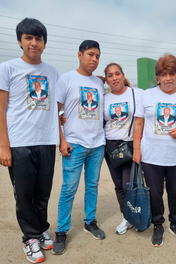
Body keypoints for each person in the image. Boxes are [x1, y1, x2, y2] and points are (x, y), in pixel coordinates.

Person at [0, 17, 59, 264]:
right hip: (19, 142)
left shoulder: (52, 71)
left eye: (39, 38)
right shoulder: (8, 68)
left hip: (46, 141)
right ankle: (30, 238)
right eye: (29, 38)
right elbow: (1, 109)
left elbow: (57, 107)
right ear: (20, 41)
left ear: (44, 42)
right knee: (24, 193)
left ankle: (41, 228)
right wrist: (3, 145)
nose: (34, 43)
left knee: (42, 192)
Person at [132, 54, 176, 246]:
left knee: (175, 192)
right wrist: (136, 150)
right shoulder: (147, 95)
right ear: (157, 77)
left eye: (172, 74)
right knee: (155, 193)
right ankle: (157, 224)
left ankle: (175, 223)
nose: (168, 78)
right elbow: (139, 124)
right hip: (151, 155)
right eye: (164, 74)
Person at [53, 40, 106, 255]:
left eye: (97, 56)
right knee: (69, 188)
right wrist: (62, 140)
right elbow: (54, 113)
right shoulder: (66, 79)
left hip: (97, 144)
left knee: (92, 185)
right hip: (74, 143)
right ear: (79, 55)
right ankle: (61, 231)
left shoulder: (99, 83)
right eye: (90, 54)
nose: (94, 59)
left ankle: (89, 221)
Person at [103, 62, 142, 235]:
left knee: (129, 184)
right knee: (118, 184)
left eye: (117, 73)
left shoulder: (137, 93)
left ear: (123, 75)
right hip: (110, 145)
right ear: (106, 80)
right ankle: (126, 217)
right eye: (110, 75)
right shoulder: (104, 98)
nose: (114, 78)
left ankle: (136, 215)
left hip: (129, 144)